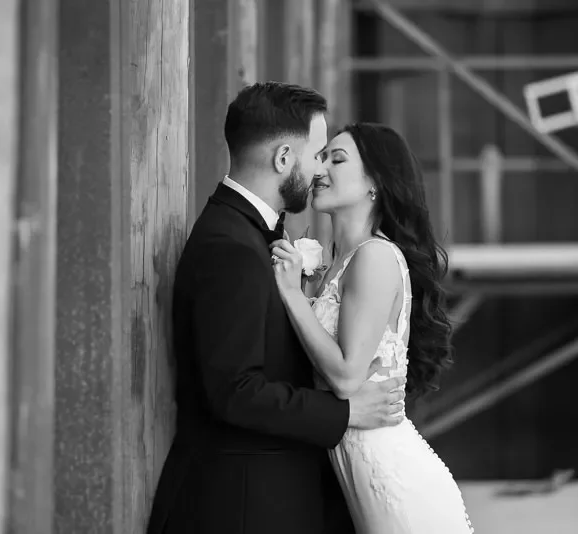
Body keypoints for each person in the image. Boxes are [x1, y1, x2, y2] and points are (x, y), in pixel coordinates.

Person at [146, 83, 406, 534]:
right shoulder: (231, 246)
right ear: (284, 159)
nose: (320, 168)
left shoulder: (254, 236)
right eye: (318, 153)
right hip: (240, 506)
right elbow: (235, 390)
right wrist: (343, 414)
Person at [269, 122, 474, 533]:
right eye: (321, 157)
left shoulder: (375, 257)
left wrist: (293, 296)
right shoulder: (332, 268)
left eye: (337, 159)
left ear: (375, 184)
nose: (321, 169)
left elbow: (346, 377)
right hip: (352, 473)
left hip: (390, 479)